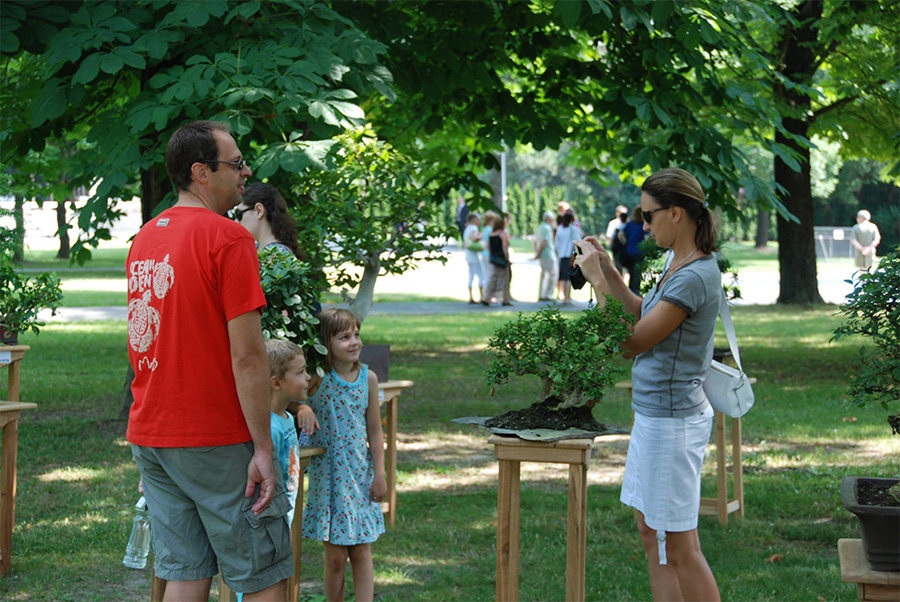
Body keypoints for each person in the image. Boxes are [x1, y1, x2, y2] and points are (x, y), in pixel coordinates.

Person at [126, 120, 292, 600]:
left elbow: (143, 340)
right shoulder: (229, 239)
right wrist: (264, 448)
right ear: (201, 172)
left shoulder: (145, 238)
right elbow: (248, 355)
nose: (246, 171)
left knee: (184, 571)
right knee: (262, 573)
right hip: (215, 437)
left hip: (153, 433)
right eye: (236, 163)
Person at [573, 167, 721, 602]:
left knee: (679, 545)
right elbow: (642, 312)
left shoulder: (693, 276)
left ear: (675, 213)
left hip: (673, 423)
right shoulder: (681, 264)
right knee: (652, 533)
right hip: (660, 416)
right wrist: (609, 270)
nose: (642, 224)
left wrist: (598, 285)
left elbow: (630, 343)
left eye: (648, 215)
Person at [302, 309, 386, 602]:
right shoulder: (315, 379)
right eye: (344, 337)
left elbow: (375, 430)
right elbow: (288, 402)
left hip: (360, 476)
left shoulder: (368, 379)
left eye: (356, 335)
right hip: (328, 479)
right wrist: (303, 407)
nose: (354, 342)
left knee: (362, 549)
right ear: (325, 343)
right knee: (336, 556)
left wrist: (380, 474)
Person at [237, 339, 318, 602]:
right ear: (276, 383)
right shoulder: (269, 427)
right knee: (260, 582)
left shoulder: (285, 417)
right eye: (300, 372)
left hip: (283, 515)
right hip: (266, 518)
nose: (307, 377)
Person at [235, 182, 301, 257]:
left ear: (259, 211)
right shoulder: (262, 250)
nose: (236, 221)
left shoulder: (276, 254)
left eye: (239, 214)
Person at [483, 214, 512, 306]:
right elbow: (504, 247)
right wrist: (507, 258)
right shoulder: (502, 234)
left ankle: (486, 297)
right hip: (501, 259)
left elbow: (488, 247)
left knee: (492, 279)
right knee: (505, 279)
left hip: (493, 258)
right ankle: (505, 299)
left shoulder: (491, 234)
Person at [620, 206, 649, 294]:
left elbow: (620, 234)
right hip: (639, 252)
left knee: (631, 273)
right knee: (637, 274)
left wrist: (625, 243)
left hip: (629, 251)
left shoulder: (630, 224)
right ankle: (635, 292)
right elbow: (646, 238)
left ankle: (629, 292)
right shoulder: (642, 225)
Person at [555, 209, 581, 304]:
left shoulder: (560, 229)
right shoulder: (573, 230)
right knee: (568, 277)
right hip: (570, 255)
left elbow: (557, 244)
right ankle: (567, 297)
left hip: (561, 255)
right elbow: (576, 243)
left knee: (562, 277)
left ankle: (563, 296)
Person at [534, 211, 558, 301]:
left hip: (543, 254)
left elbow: (535, 241)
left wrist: (537, 253)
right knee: (552, 274)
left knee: (544, 275)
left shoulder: (540, 227)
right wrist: (538, 253)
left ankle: (542, 294)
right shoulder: (547, 228)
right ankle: (548, 294)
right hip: (548, 253)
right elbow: (544, 242)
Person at [462, 213, 485, 304]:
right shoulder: (473, 228)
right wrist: (481, 236)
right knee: (480, 275)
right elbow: (474, 238)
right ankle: (481, 296)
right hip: (474, 255)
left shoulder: (467, 228)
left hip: (468, 255)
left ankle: (471, 296)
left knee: (471, 275)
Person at [606, 205, 629, 274]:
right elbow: (610, 237)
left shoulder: (629, 224)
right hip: (617, 249)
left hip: (627, 250)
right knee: (618, 267)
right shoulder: (613, 223)